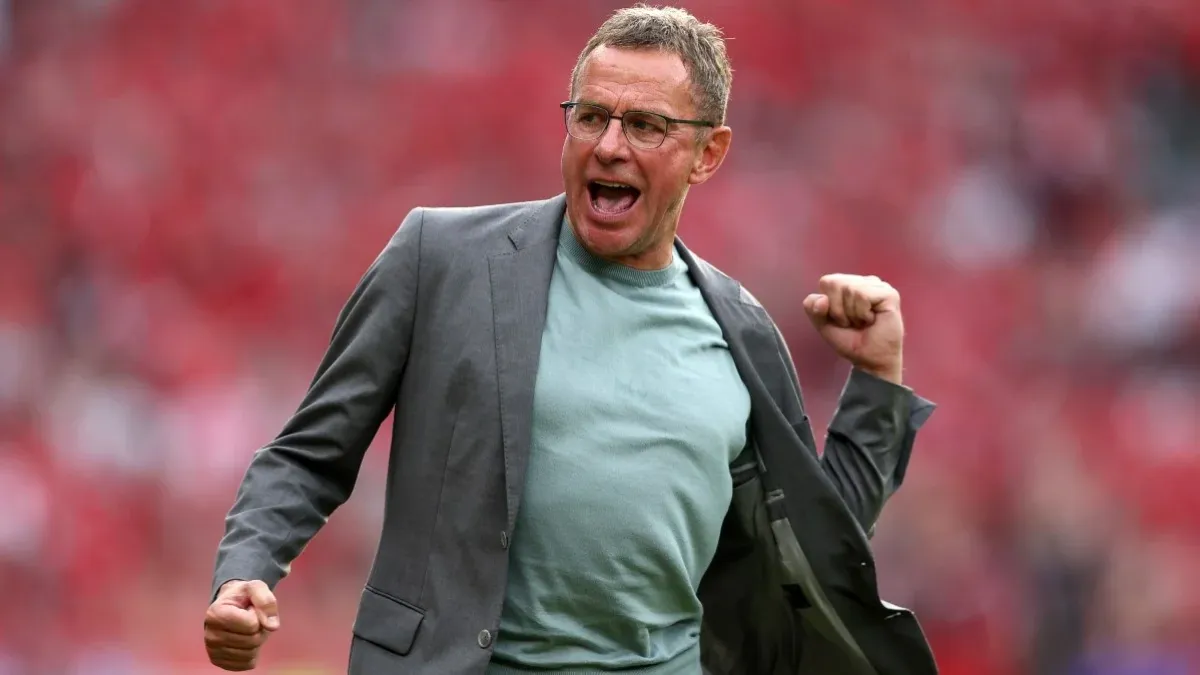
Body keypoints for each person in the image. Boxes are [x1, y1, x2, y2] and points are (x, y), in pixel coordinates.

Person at [203, 5, 938, 674]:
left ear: (708, 153)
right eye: (590, 117)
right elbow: (308, 454)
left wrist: (878, 379)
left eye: (645, 126)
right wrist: (245, 572)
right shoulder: (441, 260)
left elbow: (810, 548)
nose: (609, 146)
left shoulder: (740, 331)